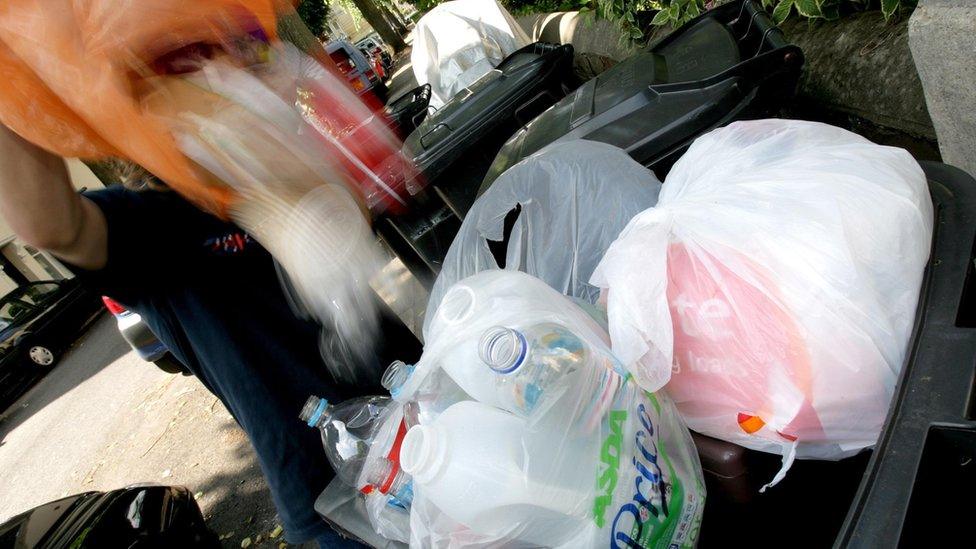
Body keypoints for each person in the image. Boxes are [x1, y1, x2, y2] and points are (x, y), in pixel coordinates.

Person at [0, 124, 421, 548]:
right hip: (343, 484)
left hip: (424, 403)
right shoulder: (149, 224)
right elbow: (52, 224)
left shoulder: (265, 168)